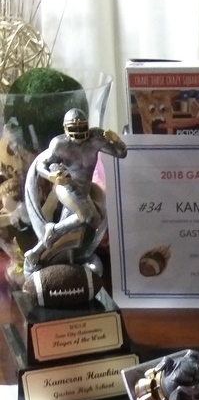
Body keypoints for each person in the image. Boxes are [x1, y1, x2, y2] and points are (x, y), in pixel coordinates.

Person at [24, 107, 127, 274]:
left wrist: (117, 140)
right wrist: (51, 176)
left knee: (89, 223)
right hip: (67, 186)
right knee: (88, 216)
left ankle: (38, 252)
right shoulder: (60, 144)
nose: (78, 132)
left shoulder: (96, 138)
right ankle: (53, 230)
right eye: (74, 128)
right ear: (65, 128)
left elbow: (121, 154)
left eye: (81, 128)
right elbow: (40, 165)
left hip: (85, 190)